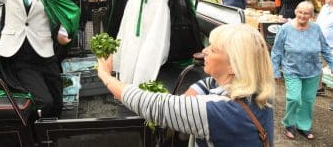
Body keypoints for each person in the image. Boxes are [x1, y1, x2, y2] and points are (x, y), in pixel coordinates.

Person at [97, 23, 275, 146]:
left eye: (213, 49)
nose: (204, 51)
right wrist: (188, 99)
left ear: (234, 67)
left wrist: (106, 76)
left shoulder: (217, 111)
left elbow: (154, 105)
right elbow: (211, 82)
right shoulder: (258, 90)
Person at [271, 1, 333, 140]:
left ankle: (303, 126)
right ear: (295, 12)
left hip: (312, 71)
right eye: (300, 12)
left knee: (308, 100)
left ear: (311, 15)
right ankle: (289, 124)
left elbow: (325, 48)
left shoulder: (316, 28)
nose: (303, 16)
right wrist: (275, 70)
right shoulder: (286, 28)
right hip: (292, 70)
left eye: (306, 13)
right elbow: (276, 51)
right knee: (294, 98)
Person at [315, 0, 333, 98]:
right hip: (320, 44)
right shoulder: (325, 7)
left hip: (331, 47)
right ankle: (318, 88)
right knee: (316, 65)